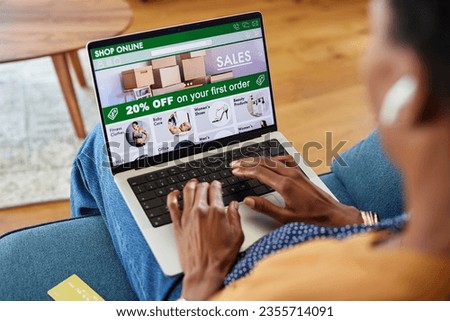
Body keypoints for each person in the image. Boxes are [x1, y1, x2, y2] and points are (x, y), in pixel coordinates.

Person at [71, 0, 449, 300]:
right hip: (329, 227)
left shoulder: (337, 291)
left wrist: (201, 280)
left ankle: (84, 249)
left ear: (408, 89)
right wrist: (350, 220)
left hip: (215, 279)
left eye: (374, 35)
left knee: (103, 148)